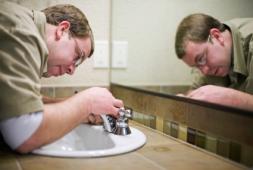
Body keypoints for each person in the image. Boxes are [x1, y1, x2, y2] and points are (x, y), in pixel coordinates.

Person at [0, 1, 123, 153]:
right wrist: (88, 102)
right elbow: (24, 134)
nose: (72, 70)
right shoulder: (23, 31)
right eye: (78, 57)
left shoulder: (22, 27)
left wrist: (77, 110)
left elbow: (20, 102)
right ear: (62, 30)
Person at [174, 13, 253, 111]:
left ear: (217, 36)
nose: (205, 71)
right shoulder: (206, 64)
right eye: (197, 66)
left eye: (201, 59)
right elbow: (194, 92)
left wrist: (229, 98)